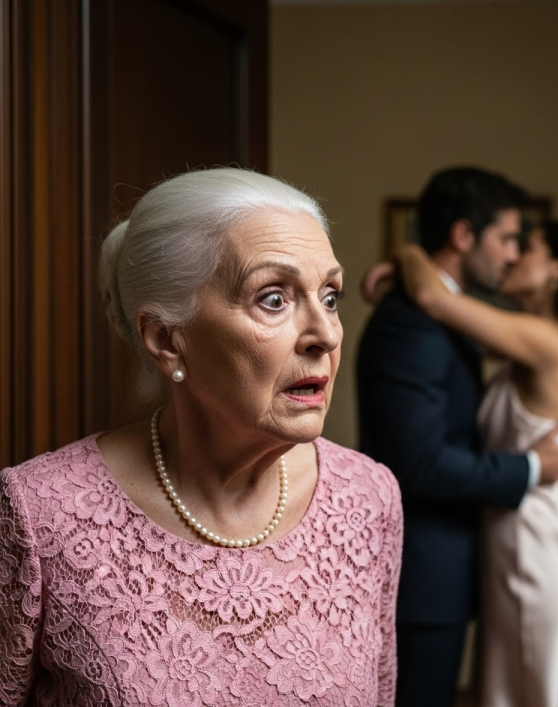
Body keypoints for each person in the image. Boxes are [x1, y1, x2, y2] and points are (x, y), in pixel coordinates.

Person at [0, 168, 403, 706]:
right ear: (167, 340)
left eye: (329, 296)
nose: (326, 334)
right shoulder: (39, 513)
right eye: (274, 299)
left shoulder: (368, 498)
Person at [356, 167, 558, 707]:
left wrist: (407, 261)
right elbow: (419, 461)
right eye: (505, 238)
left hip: (460, 564)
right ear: (462, 236)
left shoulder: (447, 312)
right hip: (426, 575)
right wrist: (529, 468)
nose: (510, 254)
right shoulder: (413, 321)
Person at [392, 220, 558, 707]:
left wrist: (407, 254)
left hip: (529, 547)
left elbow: (435, 300)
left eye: (528, 248)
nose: (512, 257)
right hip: (512, 539)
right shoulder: (528, 339)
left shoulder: (551, 343)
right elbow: (448, 316)